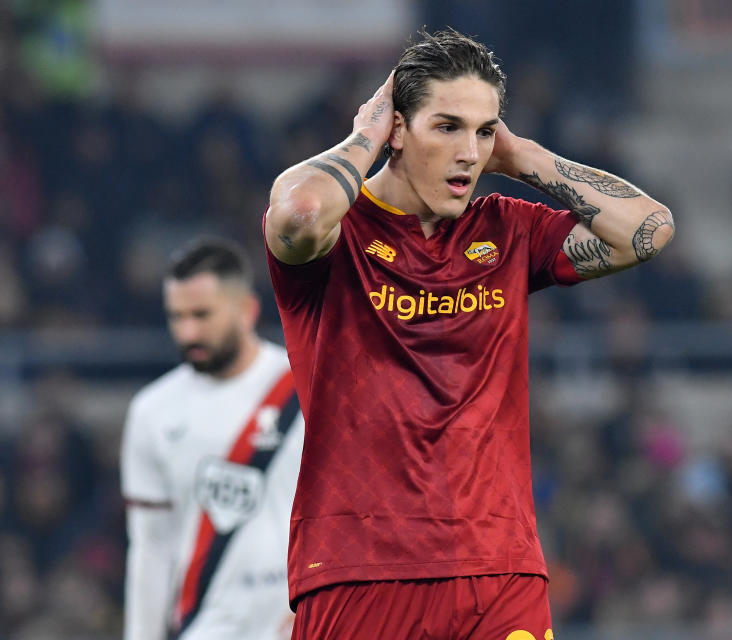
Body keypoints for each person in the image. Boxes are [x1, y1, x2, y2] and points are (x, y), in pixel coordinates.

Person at [264, 29, 674, 639]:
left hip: (499, 568)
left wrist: (527, 159)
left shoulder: (507, 229)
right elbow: (296, 215)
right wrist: (364, 136)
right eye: (447, 126)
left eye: (484, 132)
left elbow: (649, 229)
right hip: (362, 568)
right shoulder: (338, 231)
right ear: (398, 130)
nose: (469, 152)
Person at [120, 237, 304, 640]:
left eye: (201, 315)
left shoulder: (304, 388)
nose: (188, 332)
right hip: (206, 627)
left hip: (296, 623)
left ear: (247, 310)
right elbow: (151, 548)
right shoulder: (152, 412)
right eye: (177, 316)